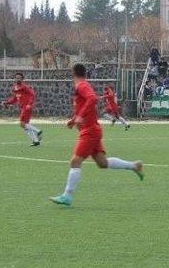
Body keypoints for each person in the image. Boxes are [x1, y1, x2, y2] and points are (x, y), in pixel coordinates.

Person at [49, 64, 143, 207]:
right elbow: (85, 105)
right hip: (91, 129)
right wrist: (74, 120)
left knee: (75, 162)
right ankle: (134, 166)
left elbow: (92, 98)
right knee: (102, 163)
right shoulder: (82, 86)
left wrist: (79, 116)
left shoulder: (81, 85)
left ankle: (67, 196)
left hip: (90, 131)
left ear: (73, 73)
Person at [2, 72, 42, 146]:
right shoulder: (15, 88)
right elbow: (14, 99)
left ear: (22, 79)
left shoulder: (24, 87)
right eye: (16, 78)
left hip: (26, 108)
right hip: (22, 108)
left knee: (22, 124)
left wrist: (29, 104)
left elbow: (32, 94)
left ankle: (37, 131)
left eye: (19, 78)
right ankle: (36, 140)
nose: (18, 79)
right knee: (25, 126)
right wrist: (7, 103)